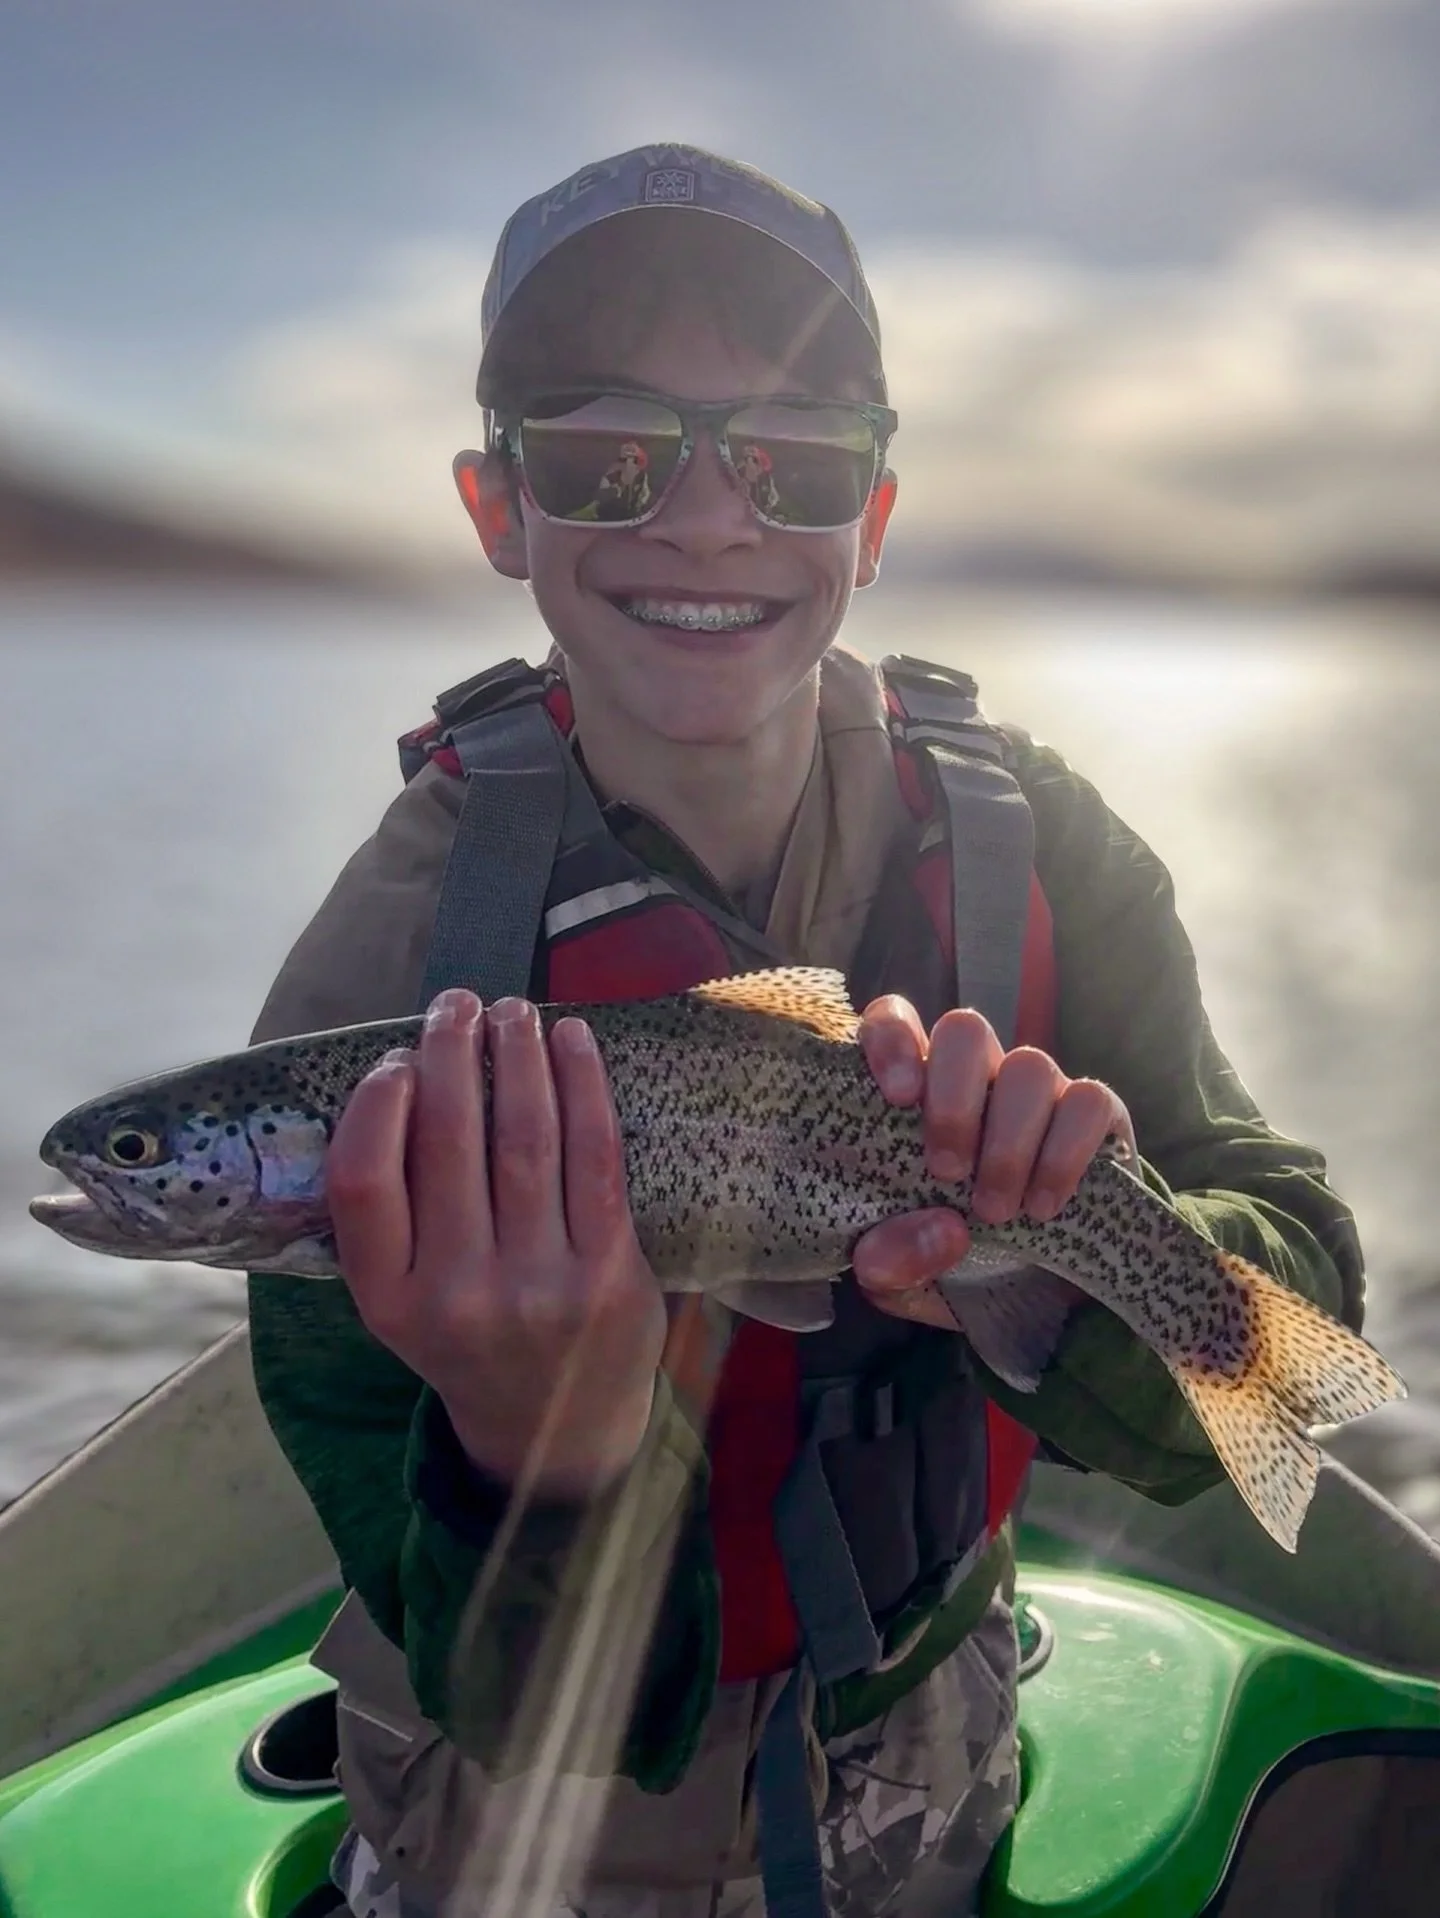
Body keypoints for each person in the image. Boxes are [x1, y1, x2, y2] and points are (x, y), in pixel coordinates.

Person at [246, 145, 1366, 1918]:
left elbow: (1284, 1275)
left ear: (877, 517)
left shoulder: (1044, 842)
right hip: (538, 1828)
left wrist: (1086, 1265)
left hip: (941, 1726)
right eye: (610, 456)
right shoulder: (384, 975)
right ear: (497, 507)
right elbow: (511, 1691)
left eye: (792, 461)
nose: (708, 520)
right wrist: (543, 1447)